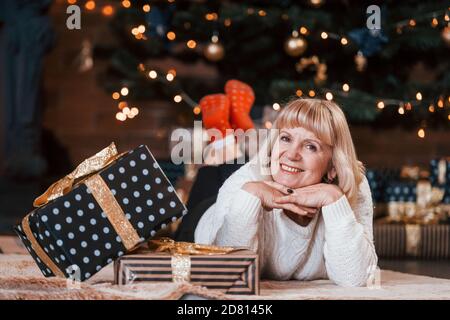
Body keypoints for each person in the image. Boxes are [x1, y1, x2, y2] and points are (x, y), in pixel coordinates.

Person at [193, 98, 378, 287]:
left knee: (234, 163)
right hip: (205, 217)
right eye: (286, 138)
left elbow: (357, 278)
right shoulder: (244, 182)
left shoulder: (352, 184)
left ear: (333, 167)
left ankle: (235, 129)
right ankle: (225, 134)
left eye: (310, 146)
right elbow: (227, 275)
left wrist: (334, 199)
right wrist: (250, 194)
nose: (291, 154)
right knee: (212, 173)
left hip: (267, 169)